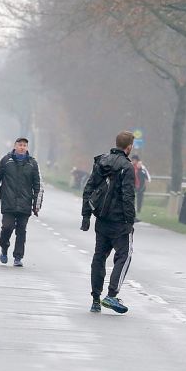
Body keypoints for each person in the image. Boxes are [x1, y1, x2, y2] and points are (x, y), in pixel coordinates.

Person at [81, 131, 136, 314]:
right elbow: (128, 196)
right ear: (129, 147)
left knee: (99, 257)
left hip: (101, 220)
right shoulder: (127, 167)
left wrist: (86, 215)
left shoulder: (101, 161)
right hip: (120, 222)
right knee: (124, 256)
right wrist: (130, 220)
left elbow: (89, 187)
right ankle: (112, 295)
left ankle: (95, 299)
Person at [0, 137, 42, 267]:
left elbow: (37, 185)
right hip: (8, 202)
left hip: (25, 203)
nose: (22, 147)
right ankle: (4, 248)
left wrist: (36, 204)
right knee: (7, 227)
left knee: (21, 231)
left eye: (25, 145)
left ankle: (18, 257)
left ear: (27, 148)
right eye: (20, 145)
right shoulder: (6, 161)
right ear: (15, 146)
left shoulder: (32, 164)